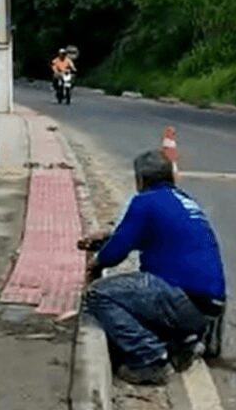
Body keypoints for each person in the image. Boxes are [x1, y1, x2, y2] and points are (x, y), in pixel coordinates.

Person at [79, 150, 227, 385]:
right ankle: (182, 342)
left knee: (99, 295)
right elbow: (144, 235)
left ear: (141, 180)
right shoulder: (184, 200)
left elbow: (115, 253)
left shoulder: (145, 201)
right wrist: (109, 235)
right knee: (140, 294)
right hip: (208, 305)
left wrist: (96, 262)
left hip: (181, 298)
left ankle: (149, 357)